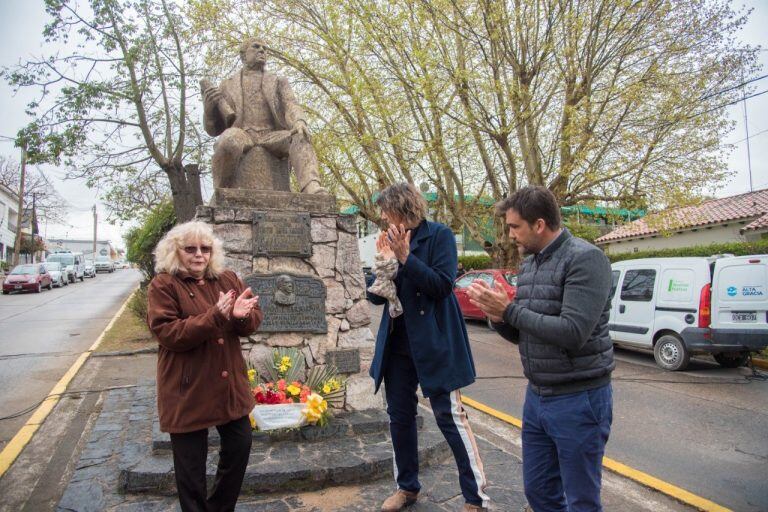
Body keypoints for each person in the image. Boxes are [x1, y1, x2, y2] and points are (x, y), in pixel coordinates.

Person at [466, 186, 615, 512]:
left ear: (539, 224)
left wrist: (510, 312)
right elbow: (527, 334)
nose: (509, 235)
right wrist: (498, 318)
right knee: (539, 493)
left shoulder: (586, 259)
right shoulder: (531, 265)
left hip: (579, 399)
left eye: (514, 227)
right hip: (538, 397)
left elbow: (573, 333)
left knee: (581, 500)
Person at [367, 183, 489, 512]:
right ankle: (406, 487)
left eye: (385, 211)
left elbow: (442, 285)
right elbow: (372, 294)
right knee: (400, 418)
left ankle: (475, 498)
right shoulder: (388, 240)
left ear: (402, 209)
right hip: (397, 345)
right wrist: (383, 264)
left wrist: (405, 258)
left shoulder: (439, 236)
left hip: (433, 344)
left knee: (450, 417)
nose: (381, 217)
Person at [147, 221, 262, 512]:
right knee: (191, 470)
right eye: (190, 249)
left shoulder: (228, 279)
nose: (199, 255)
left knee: (240, 444)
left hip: (227, 388)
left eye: (205, 248)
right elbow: (169, 333)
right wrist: (215, 316)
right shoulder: (163, 285)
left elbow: (252, 320)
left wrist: (239, 317)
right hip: (188, 389)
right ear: (176, 252)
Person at [202, 38, 328, 194]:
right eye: (256, 47)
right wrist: (208, 110)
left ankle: (311, 186)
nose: (262, 50)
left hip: (271, 135)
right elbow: (213, 130)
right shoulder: (227, 85)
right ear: (243, 55)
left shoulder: (278, 81)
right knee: (228, 140)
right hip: (242, 133)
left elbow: (291, 104)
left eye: (265, 48)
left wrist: (299, 121)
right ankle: (222, 190)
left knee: (300, 136)